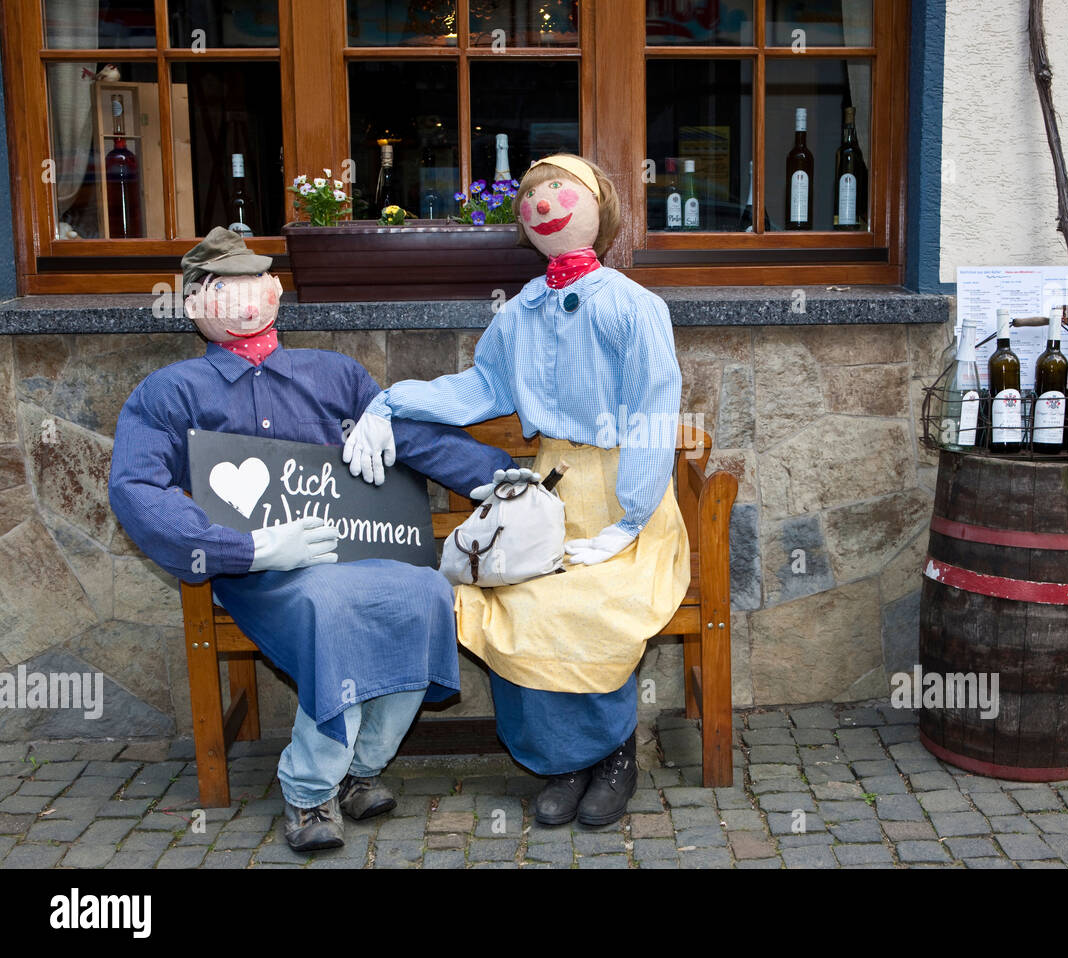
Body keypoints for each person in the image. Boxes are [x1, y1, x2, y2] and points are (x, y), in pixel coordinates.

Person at [108, 227, 514, 852]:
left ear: (275, 291)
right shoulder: (170, 391)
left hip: (356, 550)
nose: (243, 298)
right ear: (194, 305)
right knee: (332, 608)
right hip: (261, 575)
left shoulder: (334, 374)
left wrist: (498, 479)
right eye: (223, 287)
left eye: (254, 282)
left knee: (427, 591)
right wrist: (246, 549)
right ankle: (309, 791)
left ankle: (360, 767)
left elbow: (416, 436)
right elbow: (136, 490)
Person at [345, 155, 690, 826]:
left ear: (598, 207)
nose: (541, 202)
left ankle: (615, 755)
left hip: (623, 492)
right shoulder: (522, 311)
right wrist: (391, 402)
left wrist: (631, 519)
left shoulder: (633, 306)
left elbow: (654, 410)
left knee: (597, 601)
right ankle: (564, 760)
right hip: (553, 488)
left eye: (558, 190)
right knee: (517, 600)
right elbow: (480, 388)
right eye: (530, 194)